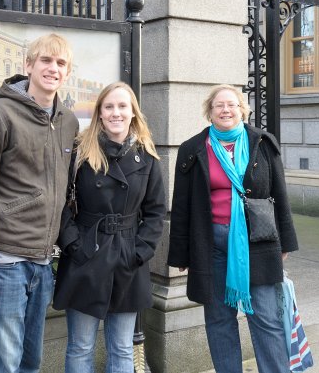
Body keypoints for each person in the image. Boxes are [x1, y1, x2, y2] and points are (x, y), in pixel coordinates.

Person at [0, 33, 79, 373]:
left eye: (60, 63)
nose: (52, 69)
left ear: (67, 72)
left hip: (42, 263)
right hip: (5, 262)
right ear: (28, 65)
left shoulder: (67, 121)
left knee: (30, 362)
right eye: (45, 60)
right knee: (3, 364)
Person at [167, 84, 299, 373]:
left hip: (258, 243)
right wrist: (180, 254)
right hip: (210, 244)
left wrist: (286, 242)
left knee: (266, 318)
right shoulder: (193, 149)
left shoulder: (262, 143)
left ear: (242, 109)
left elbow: (280, 193)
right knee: (218, 320)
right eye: (219, 106)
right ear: (209, 112)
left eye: (231, 104)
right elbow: (182, 205)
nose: (226, 110)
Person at [54, 81, 166, 373]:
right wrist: (73, 244)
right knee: (80, 347)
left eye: (122, 106)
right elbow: (61, 201)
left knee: (122, 347)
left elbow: (155, 212)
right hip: (85, 254)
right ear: (100, 113)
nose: (116, 113)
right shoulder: (81, 152)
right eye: (109, 107)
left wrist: (139, 251)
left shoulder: (148, 157)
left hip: (127, 256)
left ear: (133, 113)